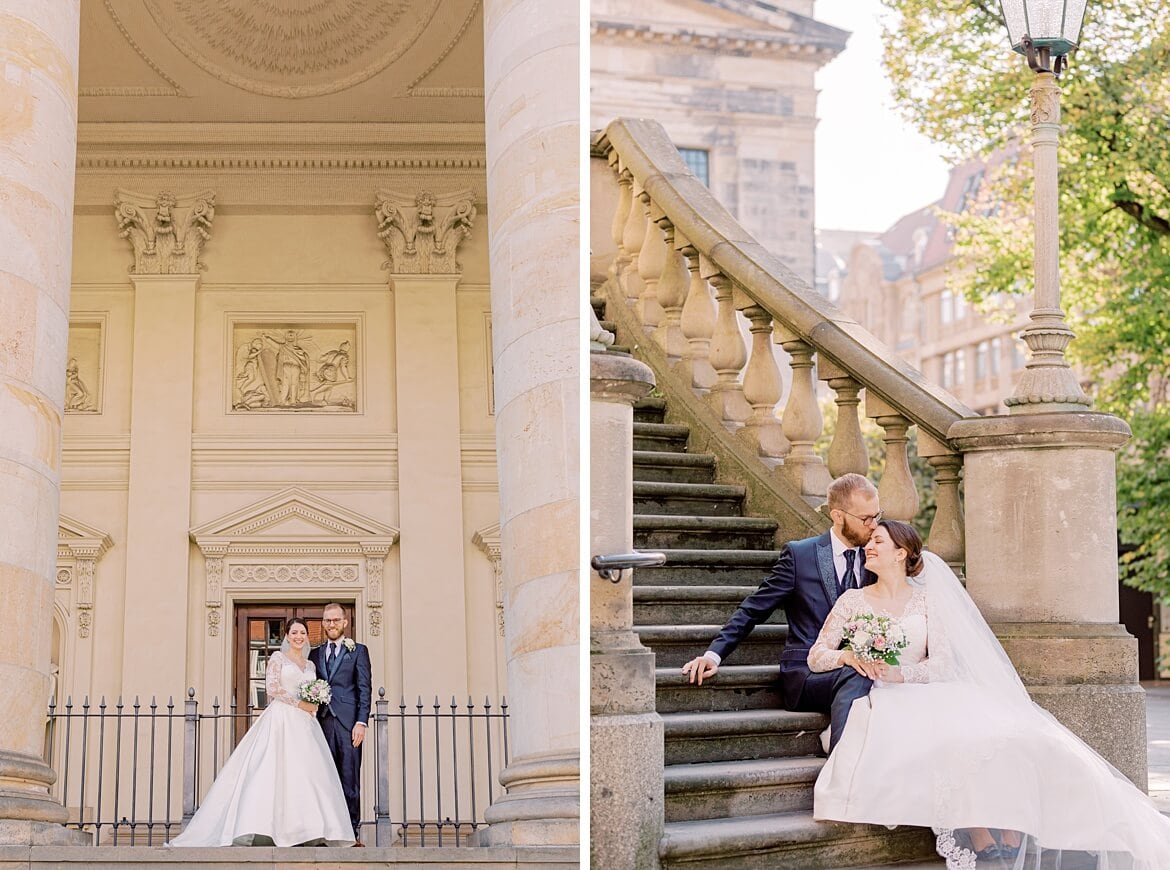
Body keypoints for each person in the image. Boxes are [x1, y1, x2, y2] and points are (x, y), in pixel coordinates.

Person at [811, 520, 1170, 868]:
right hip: (885, 698)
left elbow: (943, 664)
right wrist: (848, 655)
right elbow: (817, 655)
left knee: (1009, 736)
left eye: (877, 541)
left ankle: (1014, 827)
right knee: (947, 741)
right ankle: (980, 831)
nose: (868, 547)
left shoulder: (926, 601)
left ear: (901, 553)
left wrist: (902, 672)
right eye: (869, 541)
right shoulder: (852, 601)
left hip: (924, 687)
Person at [681, 473, 882, 751]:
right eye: (866, 519)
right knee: (860, 677)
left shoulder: (878, 556)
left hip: (862, 667)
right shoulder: (800, 556)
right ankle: (843, 771)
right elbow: (754, 608)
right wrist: (713, 654)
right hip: (808, 672)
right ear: (838, 515)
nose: (874, 526)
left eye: (877, 516)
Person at [167, 617, 353, 847]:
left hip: (306, 724)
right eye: (294, 632)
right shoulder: (277, 658)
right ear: (286, 636)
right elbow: (273, 689)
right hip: (282, 718)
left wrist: (314, 700)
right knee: (274, 770)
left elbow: (312, 690)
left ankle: (307, 831)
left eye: (302, 633)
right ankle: (269, 828)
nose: (298, 636)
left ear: (307, 636)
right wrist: (300, 704)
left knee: (306, 773)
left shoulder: (311, 665)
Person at [308, 603, 372, 846]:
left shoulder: (358, 651)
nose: (331, 624)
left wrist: (361, 722)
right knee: (323, 780)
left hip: (348, 724)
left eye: (336, 620)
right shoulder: (315, 654)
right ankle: (325, 833)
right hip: (322, 724)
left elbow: (364, 688)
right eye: (327, 620)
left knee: (349, 780)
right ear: (323, 623)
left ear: (345, 622)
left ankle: (351, 833)